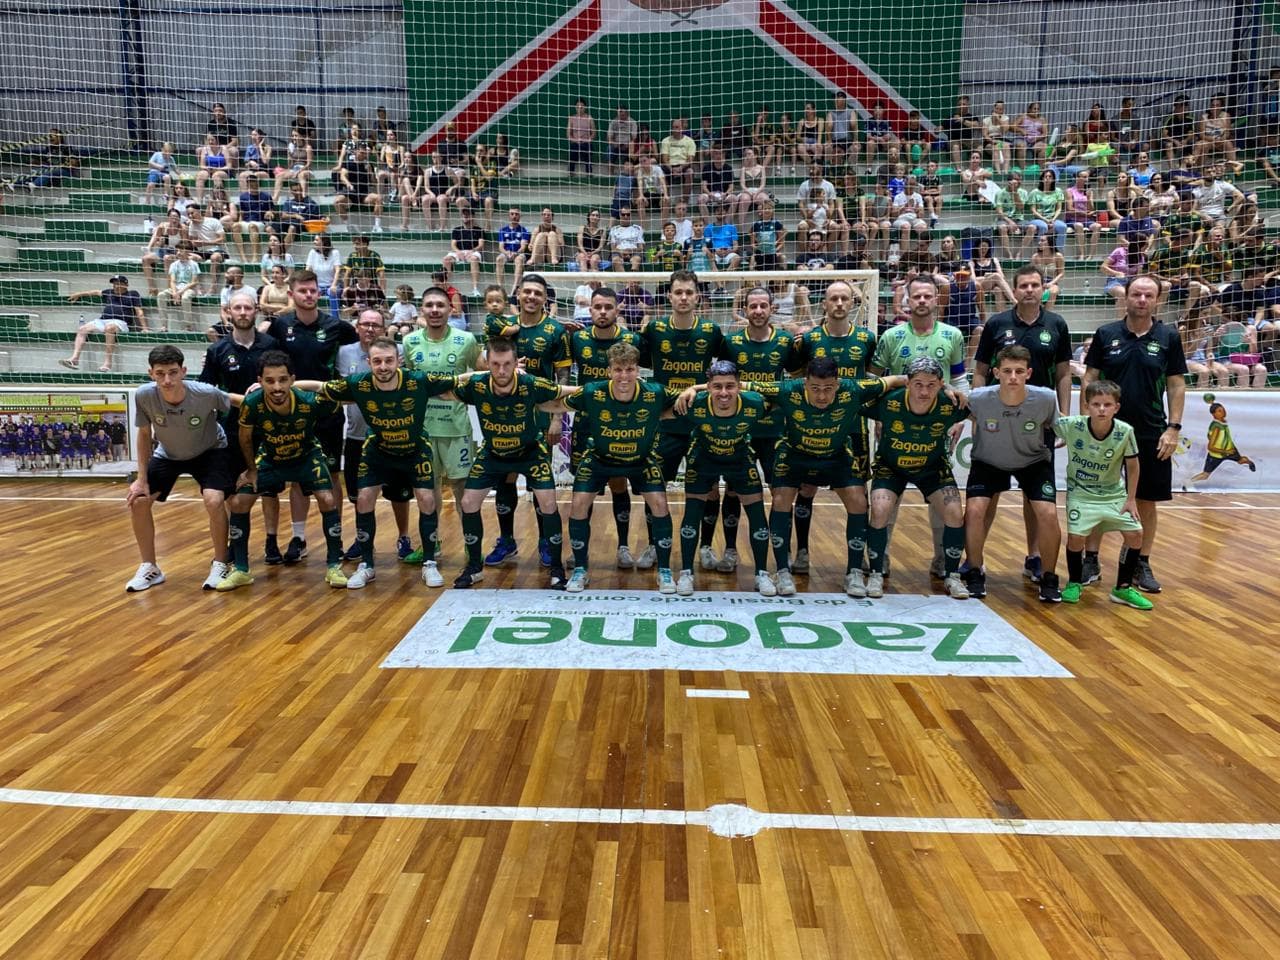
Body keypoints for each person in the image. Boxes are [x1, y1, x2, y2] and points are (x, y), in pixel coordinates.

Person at [308, 339, 464, 589]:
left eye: (389, 360)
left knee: (427, 499)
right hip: (378, 450)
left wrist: (503, 374)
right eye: (377, 361)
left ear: (399, 361)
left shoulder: (417, 380)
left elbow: (460, 379)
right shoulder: (358, 383)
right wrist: (266, 388)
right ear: (368, 362)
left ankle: (429, 563)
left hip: (415, 449)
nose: (383, 367)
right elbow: (320, 386)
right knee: (364, 498)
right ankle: (367, 565)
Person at [1080, 275, 1187, 593]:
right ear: (1126, 297)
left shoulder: (1168, 336)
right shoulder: (1106, 334)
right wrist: (1088, 422)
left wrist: (1173, 428)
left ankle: (1140, 562)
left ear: (1157, 300)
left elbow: (1176, 384)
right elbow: (1089, 377)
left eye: (1148, 295)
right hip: (1106, 431)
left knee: (1146, 501)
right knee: (1098, 496)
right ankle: (1090, 560)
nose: (1142, 300)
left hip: (1152, 431)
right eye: (1136, 294)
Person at [765, 357, 900, 596]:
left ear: (837, 384)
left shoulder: (853, 389)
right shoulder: (787, 389)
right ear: (805, 383)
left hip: (836, 455)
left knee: (859, 500)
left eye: (828, 388)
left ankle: (854, 572)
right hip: (796, 454)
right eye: (815, 388)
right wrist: (696, 388)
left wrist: (949, 389)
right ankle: (783, 571)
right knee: (780, 499)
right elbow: (740, 385)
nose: (821, 396)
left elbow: (896, 380)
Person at [971, 265, 1072, 583]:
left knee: (1036, 496)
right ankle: (975, 562)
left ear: (1043, 289)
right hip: (997, 421)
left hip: (1039, 422)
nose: (1029, 290)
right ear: (1014, 290)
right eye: (1023, 285)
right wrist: (977, 414)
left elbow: (1064, 373)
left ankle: (1035, 557)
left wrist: (1063, 417)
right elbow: (980, 371)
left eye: (1035, 285)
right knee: (987, 495)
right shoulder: (997, 323)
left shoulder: (1056, 324)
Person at [218, 350, 348, 591]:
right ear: (260, 381)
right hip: (271, 459)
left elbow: (344, 397)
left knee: (328, 498)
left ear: (292, 379)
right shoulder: (252, 403)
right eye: (269, 381)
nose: (277, 387)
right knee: (238, 502)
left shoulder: (309, 401)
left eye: (283, 380)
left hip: (306, 457)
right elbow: (245, 438)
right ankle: (241, 570)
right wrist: (251, 470)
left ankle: (334, 566)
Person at [555, 342, 680, 593]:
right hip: (600, 458)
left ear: (638, 371)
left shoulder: (655, 392)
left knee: (660, 504)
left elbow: (686, 401)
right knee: (578, 503)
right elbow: (555, 403)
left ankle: (665, 571)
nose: (624, 376)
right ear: (609, 371)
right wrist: (523, 394)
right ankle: (580, 569)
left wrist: (692, 392)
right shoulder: (593, 391)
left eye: (630, 369)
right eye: (618, 370)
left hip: (640, 459)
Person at [450, 338, 576, 589]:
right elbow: (445, 389)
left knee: (548, 502)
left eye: (507, 364)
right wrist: (473, 374)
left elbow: (567, 391)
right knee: (468, 502)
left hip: (529, 452)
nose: (501, 370)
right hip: (493, 453)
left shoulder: (530, 383)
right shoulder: (477, 384)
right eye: (495, 364)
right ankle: (474, 567)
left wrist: (608, 387)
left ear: (516, 362)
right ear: (487, 363)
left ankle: (556, 568)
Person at [124, 345, 237, 593]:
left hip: (210, 449)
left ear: (183, 371)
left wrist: (259, 393)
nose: (167, 380)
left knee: (214, 499)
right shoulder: (144, 395)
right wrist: (141, 479)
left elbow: (235, 401)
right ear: (151, 374)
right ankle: (150, 567)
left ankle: (221, 563)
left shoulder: (205, 393)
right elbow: (144, 435)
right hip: (169, 453)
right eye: (160, 373)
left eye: (173, 372)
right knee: (138, 500)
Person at [263, 268, 359, 562]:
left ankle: (335, 537)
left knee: (331, 476)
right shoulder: (280, 327)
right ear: (291, 294)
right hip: (290, 415)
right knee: (297, 478)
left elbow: (357, 355)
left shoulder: (338, 327)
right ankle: (299, 538)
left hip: (327, 413)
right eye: (302, 291)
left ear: (319, 292)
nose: (308, 295)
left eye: (313, 290)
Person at [482, 276, 572, 568]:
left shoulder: (555, 330)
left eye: (538, 293)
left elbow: (562, 377)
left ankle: (545, 541)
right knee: (505, 477)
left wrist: (557, 418)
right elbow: (484, 364)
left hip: (540, 416)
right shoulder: (501, 326)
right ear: (518, 294)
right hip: (504, 416)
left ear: (545, 298)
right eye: (527, 291)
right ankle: (507, 540)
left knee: (539, 482)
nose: (532, 297)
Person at [639, 269, 727, 566]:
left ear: (698, 297)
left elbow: (725, 375)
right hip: (665, 422)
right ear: (669, 296)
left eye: (689, 292)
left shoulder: (711, 331)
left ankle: (706, 546)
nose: (684, 297)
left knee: (710, 488)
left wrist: (697, 388)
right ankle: (653, 545)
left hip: (702, 423)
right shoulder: (654, 330)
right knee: (655, 485)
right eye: (678, 292)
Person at [962, 345, 1063, 602]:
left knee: (1048, 513)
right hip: (988, 460)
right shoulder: (978, 398)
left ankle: (1049, 577)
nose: (1013, 377)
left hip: (1033, 461)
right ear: (996, 373)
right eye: (1007, 371)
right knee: (974, 510)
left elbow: (1062, 427)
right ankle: (975, 570)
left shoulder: (1046, 398)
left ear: (1029, 373)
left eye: (1019, 371)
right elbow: (954, 408)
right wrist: (953, 424)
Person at [863, 357, 971, 598]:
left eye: (931, 385)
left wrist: (962, 419)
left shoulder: (951, 403)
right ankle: (876, 573)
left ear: (941, 384)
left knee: (954, 511)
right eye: (918, 384)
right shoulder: (889, 401)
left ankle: (952, 576)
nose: (924, 391)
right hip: (891, 466)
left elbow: (985, 412)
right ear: (908, 382)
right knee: (879, 509)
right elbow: (852, 396)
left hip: (932, 467)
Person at [789, 279, 877, 574]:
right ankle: (802, 552)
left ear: (852, 303)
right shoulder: (809, 340)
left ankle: (859, 554)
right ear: (824, 304)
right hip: (814, 427)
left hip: (854, 428)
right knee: (806, 488)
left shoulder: (866, 339)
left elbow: (874, 381)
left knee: (858, 492)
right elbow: (798, 380)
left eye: (844, 298)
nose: (839, 303)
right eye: (833, 299)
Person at [672, 360, 779, 596]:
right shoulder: (693, 403)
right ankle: (686, 573)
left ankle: (762, 574)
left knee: (757, 512)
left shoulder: (756, 402)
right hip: (703, 458)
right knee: (692, 513)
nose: (723, 393)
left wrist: (695, 386)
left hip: (739, 459)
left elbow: (786, 395)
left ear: (739, 386)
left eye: (730, 386)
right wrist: (692, 389)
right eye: (717, 386)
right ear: (708, 386)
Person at [199, 289, 283, 563]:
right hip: (232, 430)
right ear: (228, 312)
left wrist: (264, 389)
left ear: (256, 310)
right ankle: (235, 544)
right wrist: (237, 399)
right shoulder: (217, 350)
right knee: (232, 489)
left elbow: (282, 380)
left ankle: (272, 542)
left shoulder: (271, 344)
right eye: (238, 308)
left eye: (248, 308)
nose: (243, 313)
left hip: (268, 428)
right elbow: (206, 390)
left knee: (269, 489)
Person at [1053, 380, 1153, 610]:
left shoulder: (1125, 431)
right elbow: (1044, 421)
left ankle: (1122, 588)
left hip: (1113, 494)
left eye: (1107, 405)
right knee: (1076, 538)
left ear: (1116, 407)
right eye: (1096, 404)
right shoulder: (1072, 425)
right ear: (1086, 405)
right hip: (1080, 492)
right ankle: (1074, 583)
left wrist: (1130, 499)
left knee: (1136, 534)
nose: (1101, 409)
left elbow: (1133, 467)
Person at [567, 287, 646, 567]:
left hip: (621, 424)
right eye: (598, 307)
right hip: (587, 423)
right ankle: (580, 551)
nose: (603, 312)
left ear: (617, 310)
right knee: (583, 489)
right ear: (590, 310)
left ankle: (623, 546)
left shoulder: (632, 340)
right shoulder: (577, 339)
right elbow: (562, 373)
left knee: (618, 483)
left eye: (608, 307)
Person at [403, 286, 482, 558]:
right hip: (423, 430)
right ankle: (431, 544)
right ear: (422, 309)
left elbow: (484, 371)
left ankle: (472, 547)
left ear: (451, 309)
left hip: (456, 428)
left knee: (462, 489)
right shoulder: (410, 342)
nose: (435, 310)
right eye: (429, 305)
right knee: (428, 488)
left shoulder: (466, 340)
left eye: (440, 305)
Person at [334, 309, 412, 562]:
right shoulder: (344, 353)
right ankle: (363, 538)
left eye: (375, 325)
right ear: (356, 327)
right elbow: (339, 390)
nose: (370, 329)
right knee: (359, 494)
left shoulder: (399, 352)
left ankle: (403, 537)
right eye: (365, 324)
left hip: (393, 437)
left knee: (399, 493)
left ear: (384, 328)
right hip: (357, 437)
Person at [61, 275, 146, 371]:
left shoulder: (133, 294)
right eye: (114, 284)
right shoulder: (109, 292)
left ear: (126, 285)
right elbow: (96, 292)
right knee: (82, 329)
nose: (116, 286)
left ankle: (107, 363)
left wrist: (144, 328)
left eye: (119, 284)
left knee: (109, 328)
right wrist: (79, 294)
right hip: (103, 321)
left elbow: (139, 311)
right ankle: (74, 359)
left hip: (121, 323)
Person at [1187, 400, 1257, 484]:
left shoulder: (1223, 423)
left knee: (1241, 460)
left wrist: (1230, 448)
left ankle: (1250, 463)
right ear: (1213, 414)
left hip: (1230, 450)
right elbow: (1210, 447)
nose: (1223, 412)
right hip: (1216, 455)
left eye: (1223, 409)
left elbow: (1225, 437)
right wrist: (1226, 451)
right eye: (1219, 411)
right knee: (1205, 475)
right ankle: (1187, 482)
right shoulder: (1216, 427)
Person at [334, 144, 383, 232]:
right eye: (361, 153)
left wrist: (370, 172)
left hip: (363, 194)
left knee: (378, 198)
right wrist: (348, 184)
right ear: (355, 152)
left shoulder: (368, 165)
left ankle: (377, 226)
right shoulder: (348, 164)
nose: (364, 155)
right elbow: (342, 177)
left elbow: (374, 182)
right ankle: (348, 225)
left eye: (365, 153)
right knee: (337, 201)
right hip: (350, 194)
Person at [442, 207, 485, 295]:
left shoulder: (479, 230)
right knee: (446, 259)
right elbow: (453, 244)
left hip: (472, 251)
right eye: (463, 214)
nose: (465, 216)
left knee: (474, 259)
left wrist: (472, 251)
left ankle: (475, 288)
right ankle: (445, 287)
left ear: (473, 216)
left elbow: (481, 245)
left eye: (468, 214)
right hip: (459, 251)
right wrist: (458, 252)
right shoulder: (456, 230)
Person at [494, 206, 530, 291]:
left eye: (516, 214)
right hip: (506, 253)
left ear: (519, 216)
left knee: (519, 260)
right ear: (509, 215)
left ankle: (515, 287)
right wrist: (507, 253)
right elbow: (501, 247)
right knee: (499, 259)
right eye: (512, 214)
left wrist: (516, 253)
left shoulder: (524, 230)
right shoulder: (503, 230)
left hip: (519, 253)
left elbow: (523, 247)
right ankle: (500, 287)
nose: (514, 216)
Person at [566, 98, 596, 175]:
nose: (579, 109)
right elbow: (568, 135)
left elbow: (593, 133)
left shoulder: (589, 118)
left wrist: (588, 140)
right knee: (573, 150)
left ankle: (589, 173)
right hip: (575, 142)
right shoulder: (571, 118)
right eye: (577, 107)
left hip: (586, 142)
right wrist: (575, 140)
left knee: (588, 151)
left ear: (585, 107)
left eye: (581, 107)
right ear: (575, 108)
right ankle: (571, 172)